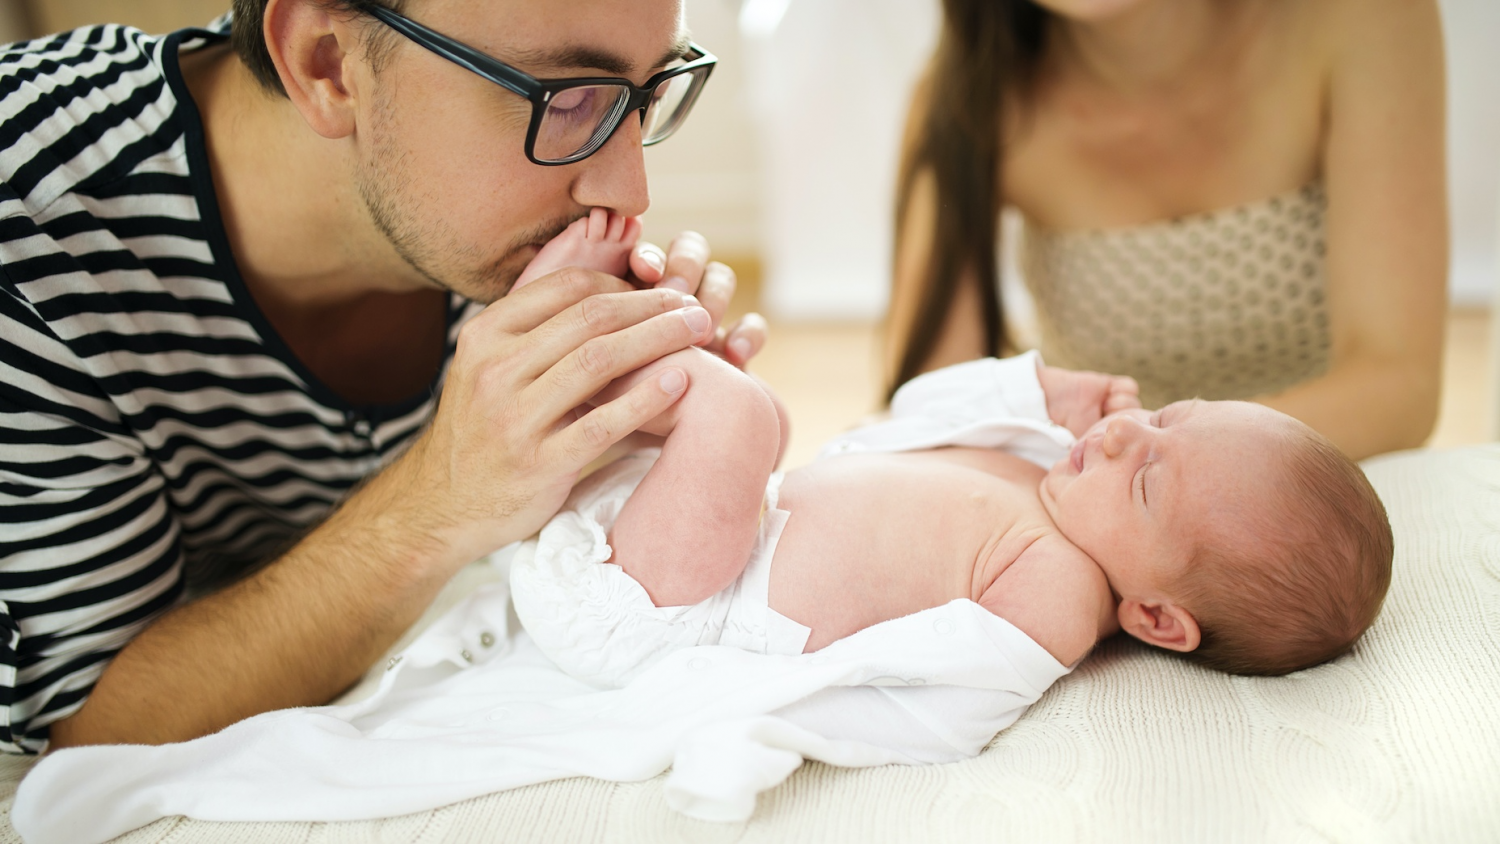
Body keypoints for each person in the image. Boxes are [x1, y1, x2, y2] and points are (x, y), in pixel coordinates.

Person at [0, 0, 770, 753]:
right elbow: (84, 721)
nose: (630, 192)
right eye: (568, 100)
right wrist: (440, 498)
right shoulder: (28, 241)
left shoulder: (471, 223)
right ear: (326, 63)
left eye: (649, 93)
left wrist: (602, 445)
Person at [509, 210, 1392, 688]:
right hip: (693, 553)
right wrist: (1028, 391)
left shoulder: (1062, 590)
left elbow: (939, 682)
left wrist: (765, 700)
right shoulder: (1051, 468)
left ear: (1157, 618)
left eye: (1149, 480)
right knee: (762, 416)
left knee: (736, 415)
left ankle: (556, 326)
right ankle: (583, 365)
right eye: (1169, 417)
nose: (1125, 434)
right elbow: (908, 420)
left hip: (684, 616)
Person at [885, 0, 1448, 461]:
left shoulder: (1361, 18)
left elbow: (1397, 385)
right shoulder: (964, 101)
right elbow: (936, 421)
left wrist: (1155, 461)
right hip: (1104, 515)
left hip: (1328, 485)